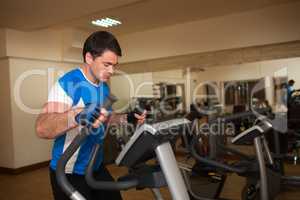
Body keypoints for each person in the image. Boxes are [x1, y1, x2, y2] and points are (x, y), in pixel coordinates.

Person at [35, 31, 146, 200]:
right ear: (89, 58)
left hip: (95, 166)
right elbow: (42, 127)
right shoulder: (69, 83)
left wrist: (127, 118)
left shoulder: (103, 87)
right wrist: (77, 115)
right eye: (107, 64)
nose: (112, 70)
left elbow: (104, 118)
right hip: (68, 171)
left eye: (114, 65)